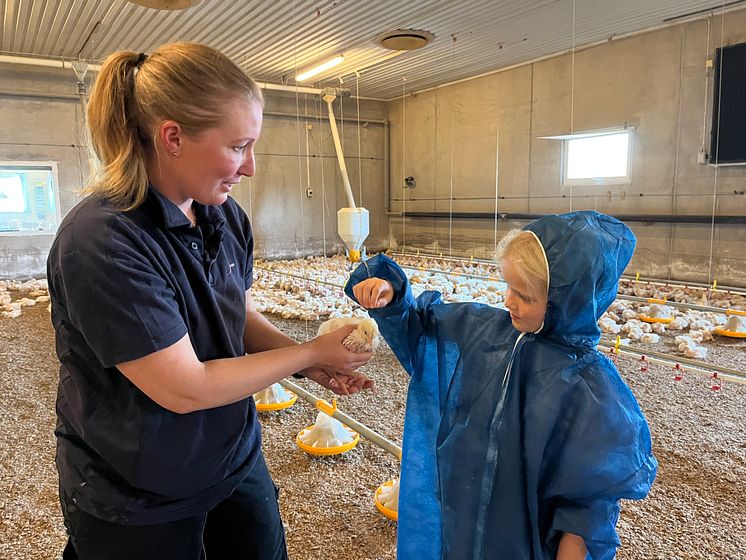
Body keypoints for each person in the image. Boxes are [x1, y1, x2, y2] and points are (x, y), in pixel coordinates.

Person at [47, 42, 373, 560]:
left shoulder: (223, 217)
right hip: (138, 491)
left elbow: (237, 317)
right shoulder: (103, 240)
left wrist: (309, 363)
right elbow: (184, 389)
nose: (249, 167)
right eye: (239, 146)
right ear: (173, 137)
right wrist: (310, 354)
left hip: (231, 457)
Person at [347, 211, 657, 560]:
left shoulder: (588, 390)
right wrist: (390, 294)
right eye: (508, 287)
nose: (509, 301)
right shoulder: (483, 332)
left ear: (568, 301)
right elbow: (421, 326)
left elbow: (584, 511)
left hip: (519, 544)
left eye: (524, 295)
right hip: (461, 524)